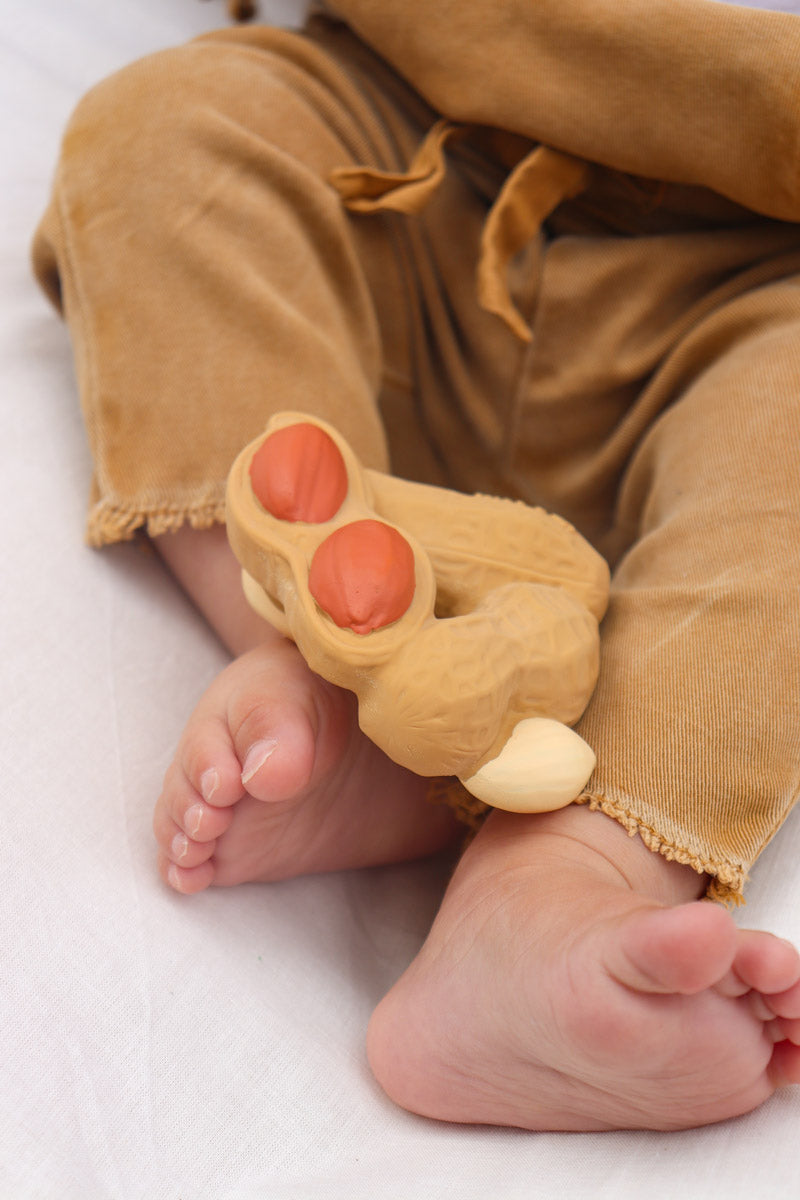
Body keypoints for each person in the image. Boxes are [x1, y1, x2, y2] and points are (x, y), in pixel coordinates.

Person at [32, 0, 800, 1130]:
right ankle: (330, 660)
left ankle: (553, 883)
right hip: (413, 152)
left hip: (750, 269)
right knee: (167, 128)